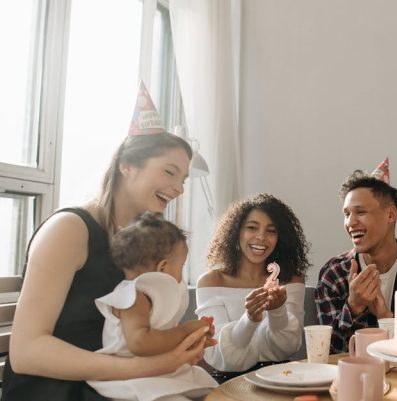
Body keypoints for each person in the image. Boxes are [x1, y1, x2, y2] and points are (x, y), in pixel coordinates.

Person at [2, 82, 211, 401]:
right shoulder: (69, 229)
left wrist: (181, 342)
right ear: (127, 166)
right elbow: (26, 352)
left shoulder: (143, 240)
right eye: (169, 172)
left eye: (182, 179)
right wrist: (152, 366)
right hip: (59, 390)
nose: (179, 187)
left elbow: (136, 331)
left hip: (114, 385)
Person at [87, 212, 218, 401]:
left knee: (212, 393)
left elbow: (161, 338)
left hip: (157, 372)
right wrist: (185, 330)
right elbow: (141, 343)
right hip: (135, 379)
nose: (181, 274)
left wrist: (192, 339)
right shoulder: (133, 296)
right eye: (181, 266)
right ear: (163, 267)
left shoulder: (151, 296)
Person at [196, 194, 310, 381]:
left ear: (280, 238)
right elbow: (219, 355)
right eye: (251, 228)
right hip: (228, 381)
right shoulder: (211, 282)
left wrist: (277, 312)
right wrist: (249, 319)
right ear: (236, 232)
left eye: (271, 231)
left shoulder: (292, 280)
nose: (261, 237)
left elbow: (289, 347)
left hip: (281, 377)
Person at [315, 168, 397, 354]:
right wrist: (353, 306)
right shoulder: (334, 274)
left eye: (360, 212)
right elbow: (324, 353)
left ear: (391, 215)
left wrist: (386, 317)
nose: (350, 223)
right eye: (346, 214)